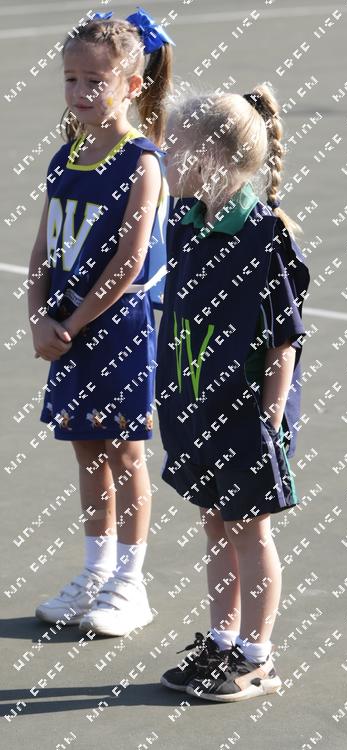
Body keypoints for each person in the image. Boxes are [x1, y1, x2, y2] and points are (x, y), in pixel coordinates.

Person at [155, 84, 311, 701]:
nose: (164, 156)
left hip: (247, 417)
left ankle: (257, 658)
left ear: (212, 160)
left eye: (175, 148)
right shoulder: (185, 222)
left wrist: (267, 420)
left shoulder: (265, 238)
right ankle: (221, 643)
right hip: (201, 408)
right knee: (215, 523)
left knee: (249, 530)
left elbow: (283, 342)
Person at [28, 7, 174, 637]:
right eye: (71, 79)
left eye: (96, 81)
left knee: (125, 452)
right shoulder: (66, 158)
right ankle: (96, 572)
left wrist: (74, 323)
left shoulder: (142, 161)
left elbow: (129, 261)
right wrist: (39, 318)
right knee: (87, 450)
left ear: (131, 85)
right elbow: (42, 251)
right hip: (66, 331)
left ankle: (131, 584)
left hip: (118, 330)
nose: (81, 91)